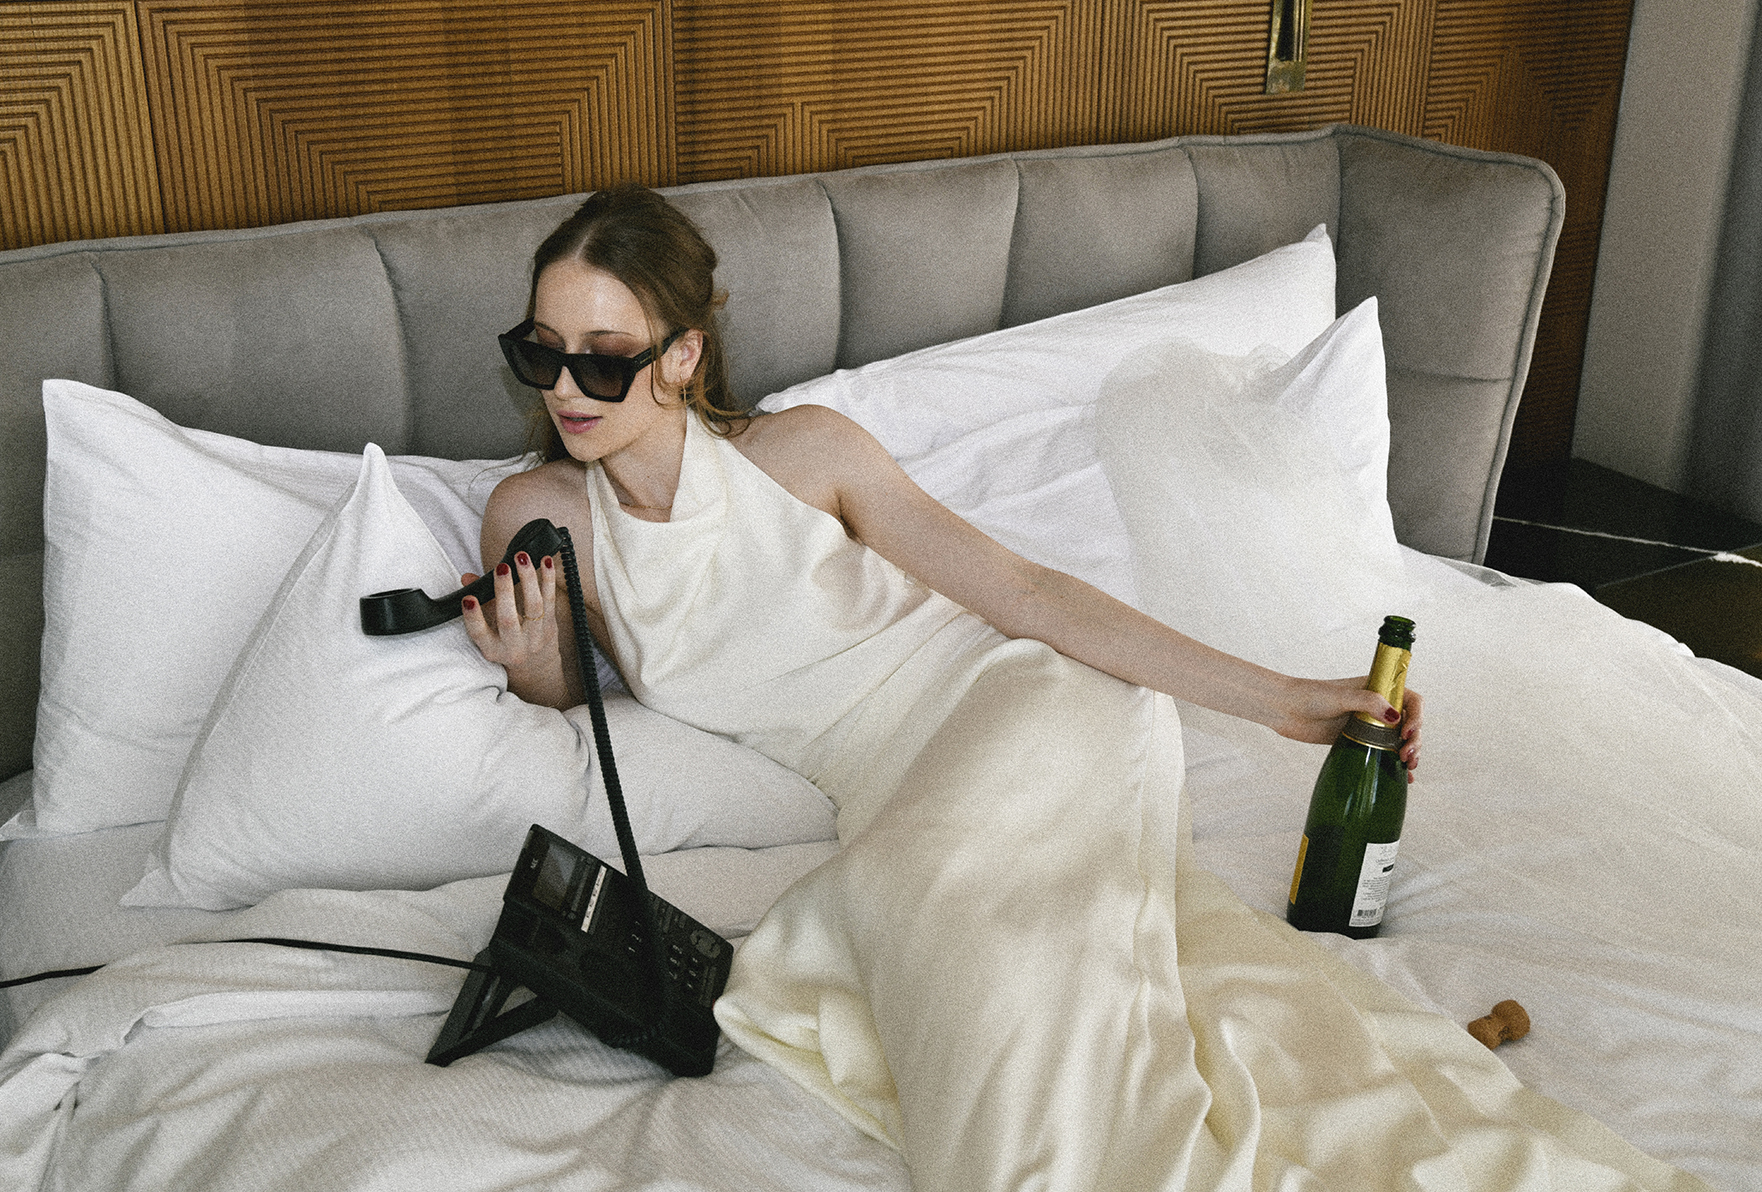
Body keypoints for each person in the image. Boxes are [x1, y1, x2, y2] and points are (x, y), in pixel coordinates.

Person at [460, 185, 1457, 1190]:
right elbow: (566, 702)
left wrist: (1283, 700)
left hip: (1016, 700)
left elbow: (1026, 592)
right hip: (887, 781)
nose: (566, 388)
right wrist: (530, 662)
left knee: (922, 904)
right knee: (956, 952)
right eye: (541, 353)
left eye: (603, 358)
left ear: (682, 355)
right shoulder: (538, 514)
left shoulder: (804, 452)